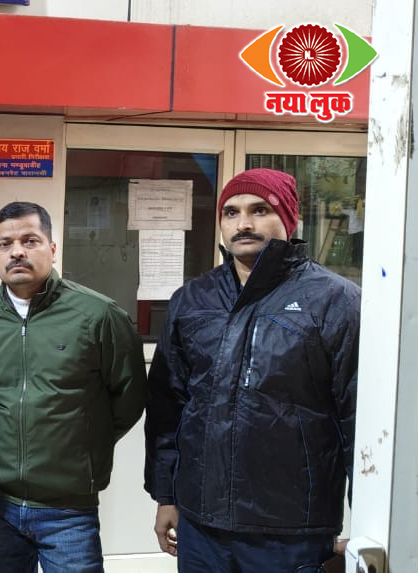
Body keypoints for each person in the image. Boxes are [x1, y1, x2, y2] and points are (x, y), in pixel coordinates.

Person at [145, 168, 360, 572]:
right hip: (202, 523)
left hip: (292, 530)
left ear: (289, 219)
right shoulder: (192, 299)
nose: (243, 223)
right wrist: (166, 495)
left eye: (259, 210)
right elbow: (167, 410)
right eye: (231, 212)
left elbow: (357, 417)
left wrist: (368, 522)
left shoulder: (335, 301)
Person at [0, 201, 147, 573]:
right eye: (5, 244)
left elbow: (129, 397)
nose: (17, 252)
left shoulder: (98, 315)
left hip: (68, 507)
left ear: (52, 248)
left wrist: (81, 447)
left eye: (30, 241)